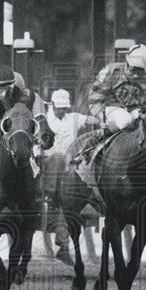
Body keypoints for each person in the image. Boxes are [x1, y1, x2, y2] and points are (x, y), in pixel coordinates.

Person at [72, 43, 146, 165]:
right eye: (133, 70)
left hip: (136, 112)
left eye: (140, 71)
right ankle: (96, 138)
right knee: (125, 119)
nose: (136, 75)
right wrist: (101, 116)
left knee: (143, 121)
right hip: (113, 109)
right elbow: (95, 99)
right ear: (126, 63)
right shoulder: (111, 71)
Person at [43, 89, 97, 262]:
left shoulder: (73, 118)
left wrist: (104, 120)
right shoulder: (45, 119)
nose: (61, 111)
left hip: (69, 169)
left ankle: (63, 245)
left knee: (65, 198)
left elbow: (89, 120)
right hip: (49, 166)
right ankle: (63, 243)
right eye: (59, 108)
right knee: (58, 162)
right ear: (52, 106)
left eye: (64, 108)